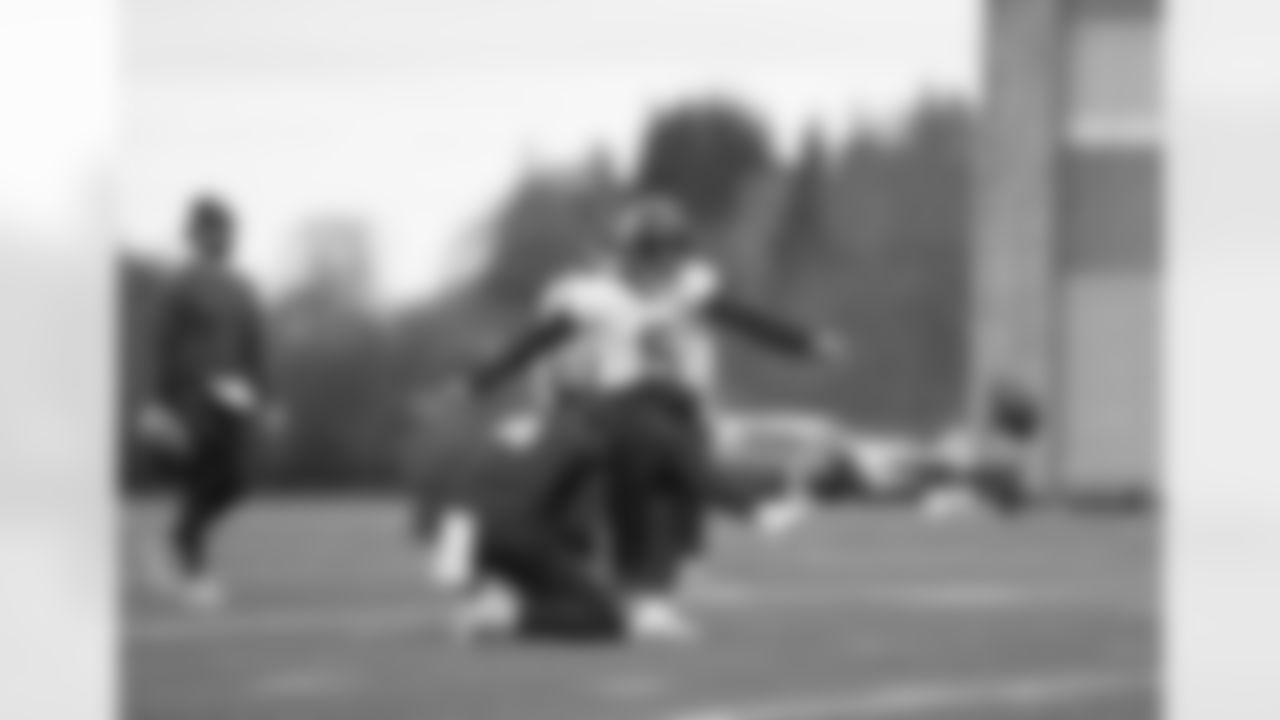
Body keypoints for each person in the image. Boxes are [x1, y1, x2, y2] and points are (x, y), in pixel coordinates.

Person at [423, 196, 847, 641]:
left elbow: (747, 320)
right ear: (631, 254)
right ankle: (655, 585)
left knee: (676, 510)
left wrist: (805, 344)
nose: (664, 266)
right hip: (628, 410)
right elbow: (536, 341)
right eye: (654, 254)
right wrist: (476, 384)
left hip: (681, 409)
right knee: (644, 499)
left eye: (670, 254)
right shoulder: (596, 299)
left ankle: (652, 586)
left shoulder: (690, 289)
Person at [136, 195, 280, 611]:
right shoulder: (180, 285)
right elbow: (162, 345)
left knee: (237, 481)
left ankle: (179, 541)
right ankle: (194, 570)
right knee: (204, 479)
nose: (225, 238)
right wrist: (158, 403)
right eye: (217, 230)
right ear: (198, 235)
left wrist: (266, 399)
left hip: (234, 400)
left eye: (229, 230)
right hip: (191, 400)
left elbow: (255, 346)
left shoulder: (242, 287)